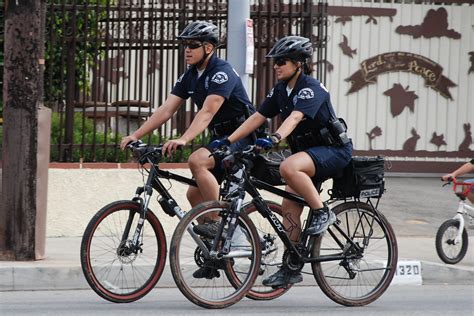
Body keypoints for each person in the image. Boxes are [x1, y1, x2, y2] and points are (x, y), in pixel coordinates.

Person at [209, 36, 353, 288]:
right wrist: (228, 140)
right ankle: (291, 266)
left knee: (289, 167)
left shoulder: (311, 88)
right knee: (289, 209)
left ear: (299, 63)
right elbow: (257, 117)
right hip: (308, 155)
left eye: (282, 61)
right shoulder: (280, 90)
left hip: (333, 151)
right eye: (275, 61)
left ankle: (322, 212)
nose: (276, 66)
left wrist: (275, 137)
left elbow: (296, 117)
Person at [120, 21, 256, 277]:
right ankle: (216, 255)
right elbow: (167, 109)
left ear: (208, 48)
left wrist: (183, 139)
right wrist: (136, 135)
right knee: (194, 197)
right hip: (220, 139)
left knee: (197, 160)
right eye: (185, 45)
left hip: (241, 136)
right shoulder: (190, 75)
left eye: (193, 45)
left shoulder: (221, 72)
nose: (187, 50)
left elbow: (207, 111)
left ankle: (220, 224)